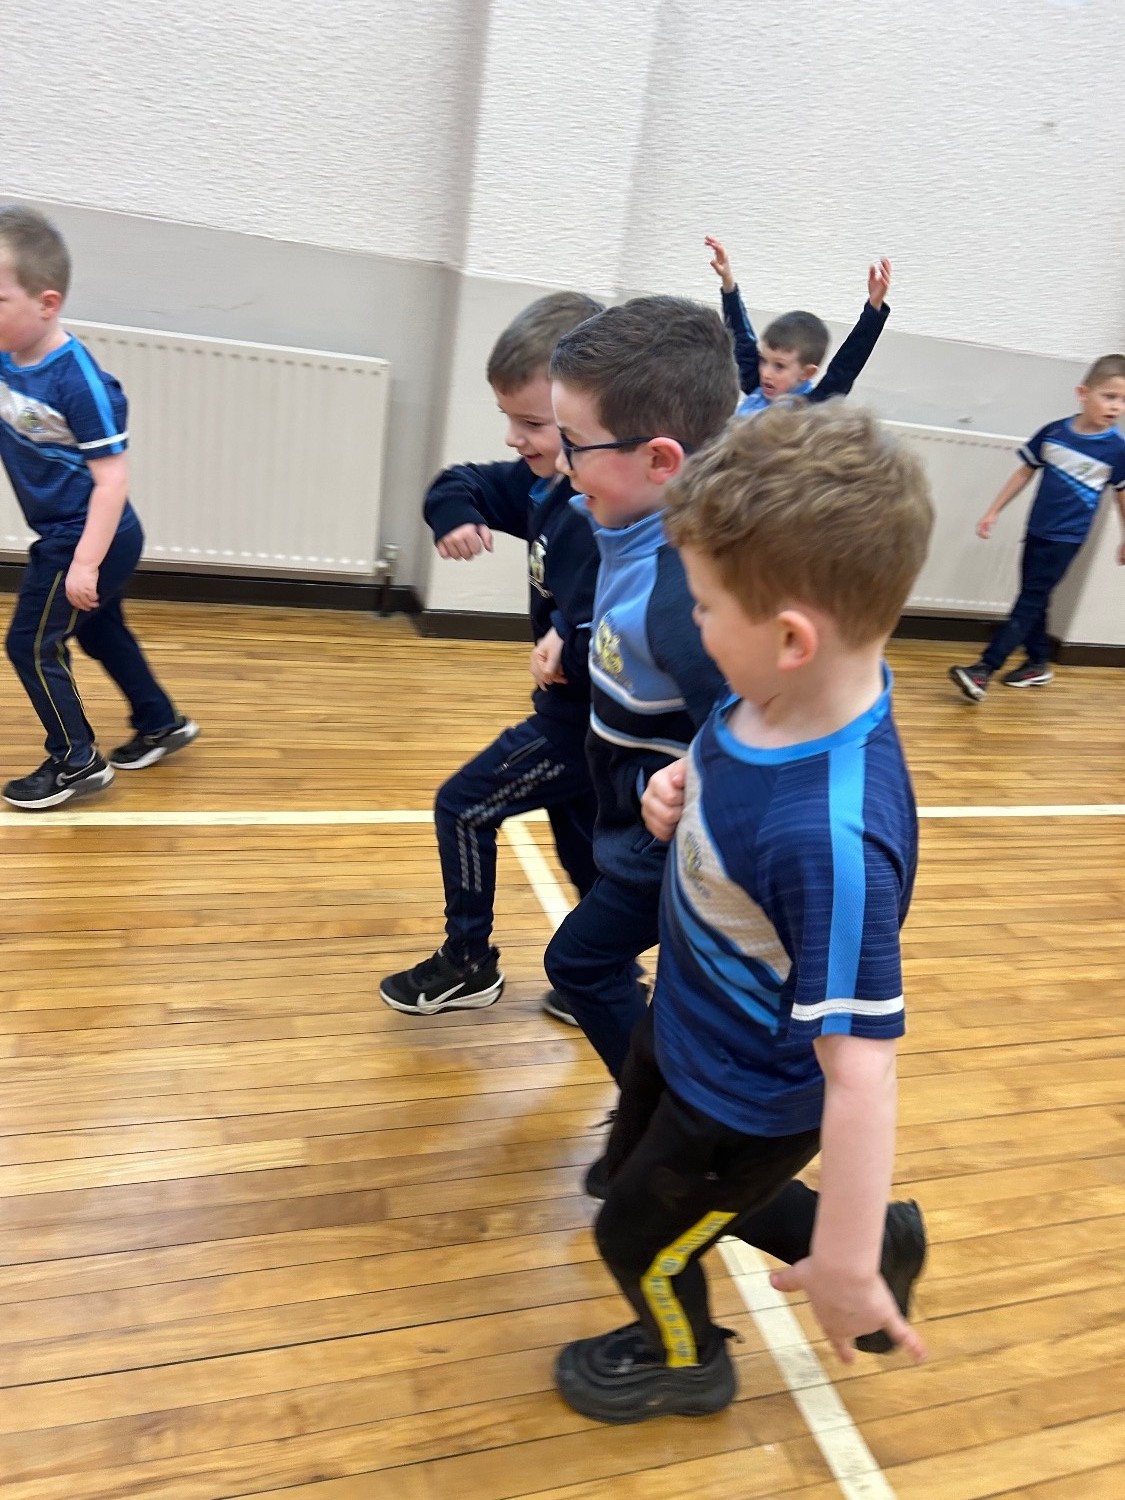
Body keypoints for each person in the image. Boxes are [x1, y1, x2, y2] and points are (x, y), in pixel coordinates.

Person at [545, 296, 925, 1357]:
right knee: (636, 1178)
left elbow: (862, 1070)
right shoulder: (769, 698)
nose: (693, 625)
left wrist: (841, 1261)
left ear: (791, 637)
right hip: (683, 1025)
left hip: (747, 1097)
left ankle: (685, 1362)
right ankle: (868, 1241)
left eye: (706, 608)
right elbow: (719, 752)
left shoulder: (832, 836)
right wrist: (679, 788)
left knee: (636, 1245)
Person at [380, 292, 604, 1016]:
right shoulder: (546, 484)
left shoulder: (612, 515)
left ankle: (468, 962)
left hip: (582, 725)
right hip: (577, 720)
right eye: (509, 418)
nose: (513, 438)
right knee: (585, 857)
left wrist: (571, 635)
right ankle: (601, 979)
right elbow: (460, 481)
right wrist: (456, 515)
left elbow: (637, 611)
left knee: (464, 806)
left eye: (532, 424)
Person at [0, 205, 197, 810]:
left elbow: (112, 481)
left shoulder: (79, 382)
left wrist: (84, 563)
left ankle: (76, 760)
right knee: (100, 628)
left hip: (87, 535)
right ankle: (161, 722)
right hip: (78, 533)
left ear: (47, 303)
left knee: (32, 644)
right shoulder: (7, 354)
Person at [949, 355, 1125, 700]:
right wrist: (993, 511)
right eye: (1109, 396)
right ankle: (1038, 662)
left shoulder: (1117, 450)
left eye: (1123, 400)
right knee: (1035, 596)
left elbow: (1122, 496)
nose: (1116, 407)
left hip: (1067, 539)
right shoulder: (1053, 433)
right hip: (1037, 531)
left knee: (1029, 599)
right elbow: (1023, 472)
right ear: (1083, 393)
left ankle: (984, 670)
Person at [705, 234, 891, 416]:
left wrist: (873, 310)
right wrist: (728, 284)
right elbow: (741, 340)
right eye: (763, 361)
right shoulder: (758, 385)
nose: (766, 373)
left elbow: (846, 366)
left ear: (807, 373)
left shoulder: (809, 410)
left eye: (779, 366)